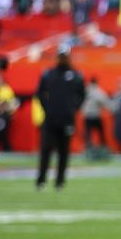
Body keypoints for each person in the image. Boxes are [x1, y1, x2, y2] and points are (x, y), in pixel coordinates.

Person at [35, 47, 86, 190]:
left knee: (64, 152)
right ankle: (41, 180)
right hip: (50, 119)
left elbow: (82, 95)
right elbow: (39, 93)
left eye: (65, 56)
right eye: (61, 56)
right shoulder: (48, 74)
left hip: (66, 119)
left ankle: (60, 181)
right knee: (46, 150)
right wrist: (47, 109)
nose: (63, 59)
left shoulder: (76, 75)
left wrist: (73, 109)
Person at [81, 77, 112, 155]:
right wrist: (112, 108)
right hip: (94, 115)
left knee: (88, 133)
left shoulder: (85, 90)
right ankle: (103, 146)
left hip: (87, 116)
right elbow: (104, 101)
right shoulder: (98, 91)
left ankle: (88, 147)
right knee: (101, 133)